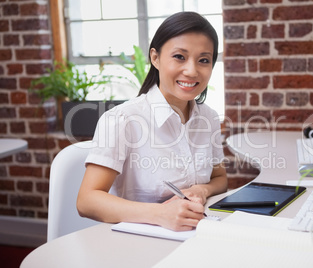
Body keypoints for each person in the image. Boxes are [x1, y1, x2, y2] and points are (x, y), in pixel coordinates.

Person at [76, 12, 228, 232]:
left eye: (203, 60)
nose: (192, 70)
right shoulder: (123, 119)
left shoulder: (209, 117)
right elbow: (87, 201)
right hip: (141, 243)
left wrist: (201, 190)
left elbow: (220, 178)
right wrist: (160, 214)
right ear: (155, 58)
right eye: (179, 57)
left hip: (194, 235)